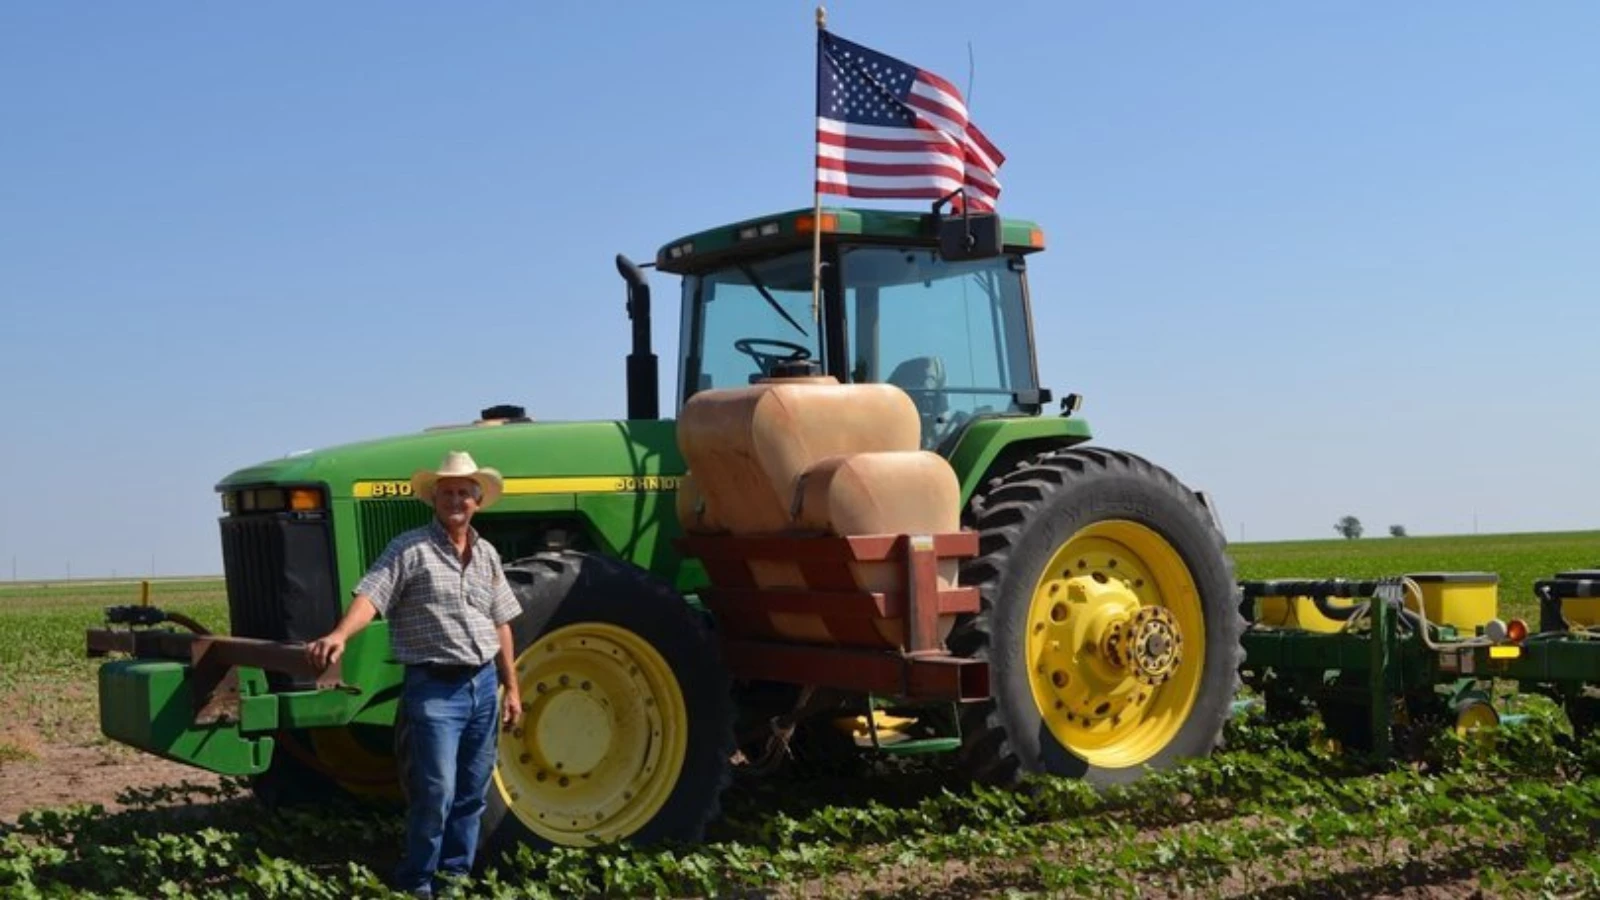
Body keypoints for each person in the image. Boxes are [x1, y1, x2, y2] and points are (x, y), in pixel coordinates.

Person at [306, 450, 524, 899]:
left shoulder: (486, 554)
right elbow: (372, 594)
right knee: (435, 791)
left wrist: (512, 688)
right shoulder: (410, 549)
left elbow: (501, 622)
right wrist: (341, 633)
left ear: (478, 501)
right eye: (447, 493)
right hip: (435, 688)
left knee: (471, 793)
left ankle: (454, 881)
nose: (456, 500)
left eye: (464, 492)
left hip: (483, 684)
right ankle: (418, 884)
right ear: (434, 500)